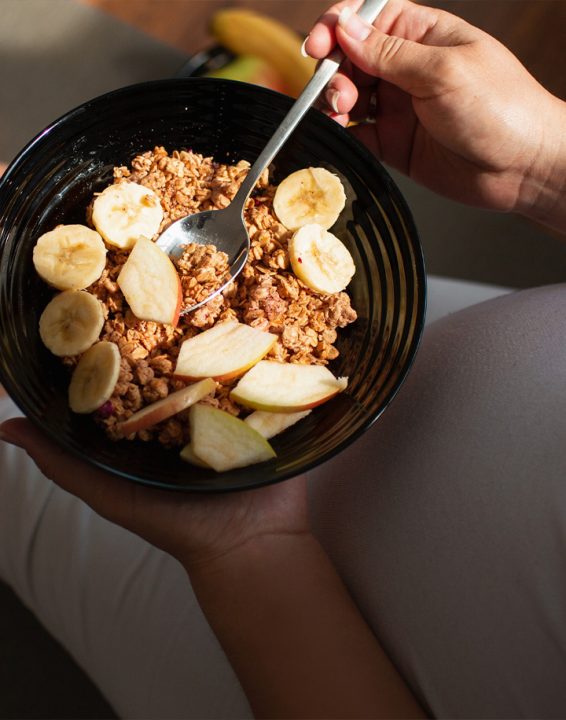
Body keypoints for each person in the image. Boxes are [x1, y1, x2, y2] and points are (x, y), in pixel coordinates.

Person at [1, 0, 566, 717]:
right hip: (366, 376)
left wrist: (245, 548)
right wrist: (547, 167)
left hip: (297, 624)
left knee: (18, 487)